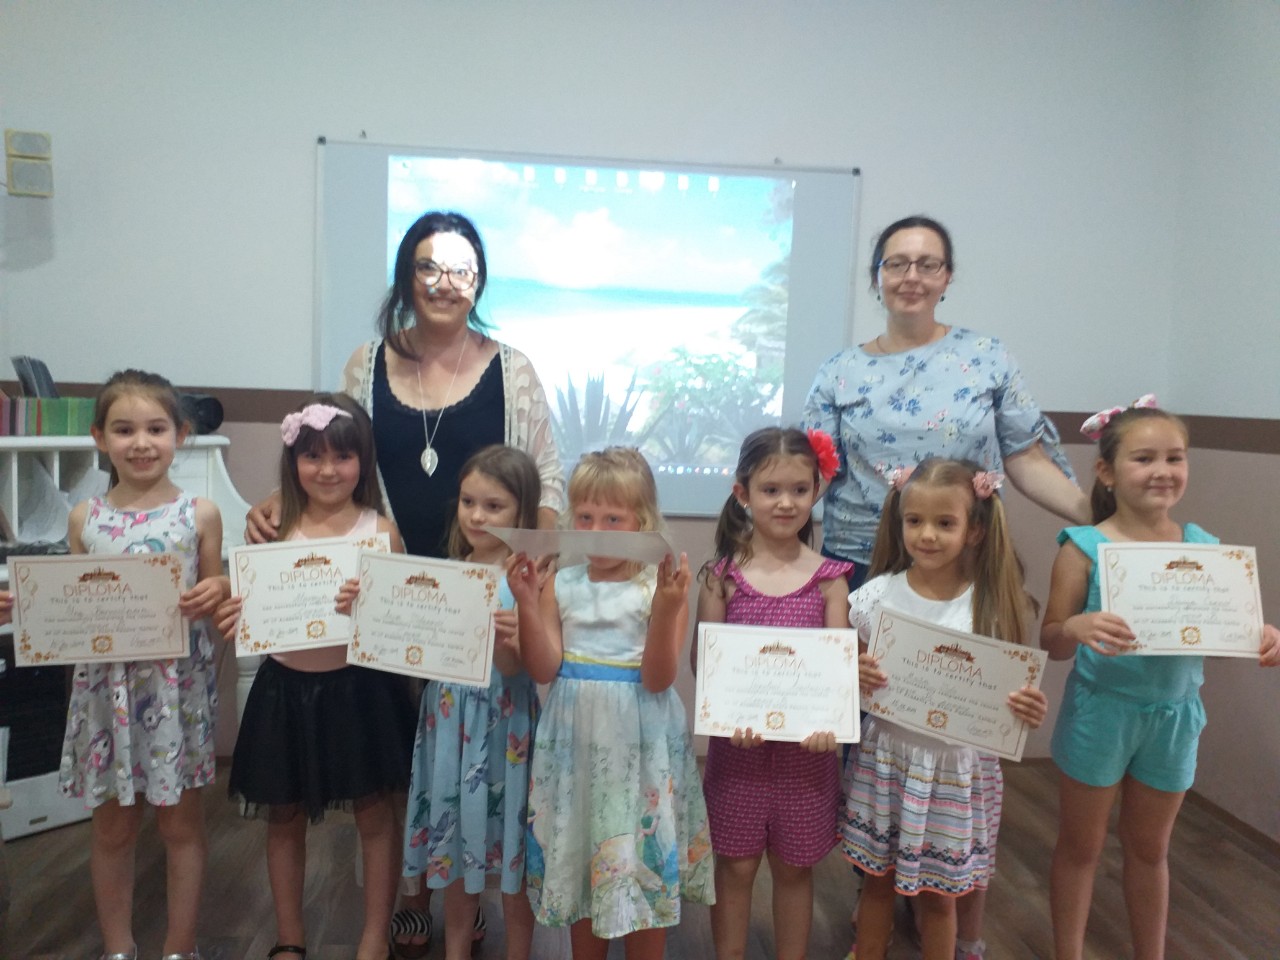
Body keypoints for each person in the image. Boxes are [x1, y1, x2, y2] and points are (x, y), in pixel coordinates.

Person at [243, 210, 565, 956]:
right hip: (379, 585)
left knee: (463, 745)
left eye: (461, 270)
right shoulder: (366, 362)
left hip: (476, 587)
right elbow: (333, 455)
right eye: (428, 266)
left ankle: (464, 891)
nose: (444, 283)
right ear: (405, 275)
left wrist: (527, 571)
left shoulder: (513, 369)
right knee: (403, 752)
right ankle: (414, 894)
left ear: (478, 281)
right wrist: (277, 505)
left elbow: (545, 479)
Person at [1041, 400, 1280, 960]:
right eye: (1143, 458)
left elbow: (1222, 632)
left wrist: (1261, 634)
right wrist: (1073, 626)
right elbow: (1051, 642)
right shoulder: (1084, 549)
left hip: (1174, 718)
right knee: (1081, 847)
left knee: (1151, 850)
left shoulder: (1205, 548)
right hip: (1100, 714)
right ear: (1107, 471)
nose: (1162, 470)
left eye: (1175, 457)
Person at [215, 395, 417, 960]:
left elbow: (398, 619)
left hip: (360, 690)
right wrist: (235, 611)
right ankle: (289, 938)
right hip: (285, 689)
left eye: (343, 457)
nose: (328, 470)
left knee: (374, 812)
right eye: (313, 456)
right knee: (283, 816)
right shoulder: (271, 530)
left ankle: (374, 936)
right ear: (293, 461)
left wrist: (373, 606)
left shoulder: (381, 531)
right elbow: (249, 603)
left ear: (364, 462)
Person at [506, 448, 715, 960]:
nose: (596, 530)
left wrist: (668, 607)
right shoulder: (563, 583)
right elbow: (544, 668)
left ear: (642, 522)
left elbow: (658, 678)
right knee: (587, 861)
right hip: (577, 746)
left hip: (639, 746)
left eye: (613, 519)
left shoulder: (658, 588)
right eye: (585, 517)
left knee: (639, 865)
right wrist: (528, 602)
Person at [803, 214, 1087, 590]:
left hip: (965, 560)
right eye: (896, 264)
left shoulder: (987, 355)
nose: (912, 276)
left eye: (928, 265)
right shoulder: (839, 371)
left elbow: (1025, 457)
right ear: (876, 277)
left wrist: (1101, 518)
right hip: (860, 564)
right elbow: (815, 474)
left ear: (947, 277)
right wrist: (755, 521)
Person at [844, 458, 1049, 960]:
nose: (927, 535)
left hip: (956, 770)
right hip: (887, 758)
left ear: (974, 530)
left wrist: (1026, 708)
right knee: (875, 881)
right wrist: (854, 674)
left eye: (944, 522)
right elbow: (849, 678)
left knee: (940, 896)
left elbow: (1008, 695)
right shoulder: (877, 597)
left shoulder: (990, 606)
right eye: (914, 521)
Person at [59, 369, 229, 960]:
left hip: (175, 693)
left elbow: (217, 595)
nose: (141, 443)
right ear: (99, 437)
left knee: (181, 825)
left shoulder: (199, 514)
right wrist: (26, 605)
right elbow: (69, 604)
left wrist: (218, 590)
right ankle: (118, 948)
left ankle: (181, 946)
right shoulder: (84, 518)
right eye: (124, 429)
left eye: (156, 429)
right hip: (106, 693)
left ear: (180, 434)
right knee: (112, 829)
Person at [692, 426, 849, 960]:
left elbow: (835, 673)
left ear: (816, 492)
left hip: (807, 758)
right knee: (735, 868)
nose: (786, 502)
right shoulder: (721, 577)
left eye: (800, 490)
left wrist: (829, 723)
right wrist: (727, 711)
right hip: (738, 753)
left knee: (794, 868)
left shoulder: (830, 581)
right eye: (771, 490)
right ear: (743, 493)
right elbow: (703, 663)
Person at [401, 445, 540, 960]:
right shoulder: (448, 572)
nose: (477, 515)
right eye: (468, 502)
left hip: (503, 726)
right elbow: (418, 654)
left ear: (523, 512)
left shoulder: (527, 579)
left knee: (513, 860)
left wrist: (508, 638)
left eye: (494, 506)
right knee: (456, 856)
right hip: (448, 724)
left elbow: (520, 669)